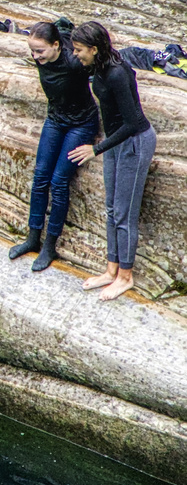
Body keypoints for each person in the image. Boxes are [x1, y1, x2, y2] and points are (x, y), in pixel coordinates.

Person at [68, 21, 156, 300]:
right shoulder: (97, 67)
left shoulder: (117, 73)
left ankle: (125, 277)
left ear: (94, 49)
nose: (75, 55)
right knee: (110, 209)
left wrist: (96, 149)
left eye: (79, 50)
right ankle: (111, 270)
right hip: (116, 141)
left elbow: (133, 122)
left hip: (134, 141)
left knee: (124, 213)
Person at [8, 20, 100, 272]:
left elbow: (98, 59)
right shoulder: (46, 54)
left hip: (81, 124)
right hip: (56, 119)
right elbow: (62, 25)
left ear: (57, 46)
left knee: (58, 181)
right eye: (32, 51)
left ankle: (50, 245)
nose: (36, 57)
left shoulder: (74, 62)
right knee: (40, 177)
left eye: (40, 51)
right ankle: (32, 238)